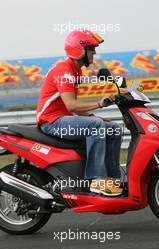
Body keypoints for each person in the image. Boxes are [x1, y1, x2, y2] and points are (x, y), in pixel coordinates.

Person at [36, 29, 123, 196]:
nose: (94, 52)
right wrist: (98, 105)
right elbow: (71, 105)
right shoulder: (64, 71)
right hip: (51, 122)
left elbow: (73, 108)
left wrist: (93, 116)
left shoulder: (75, 70)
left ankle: (113, 178)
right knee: (96, 126)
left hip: (64, 119)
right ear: (79, 50)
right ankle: (97, 180)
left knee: (113, 128)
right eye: (91, 49)